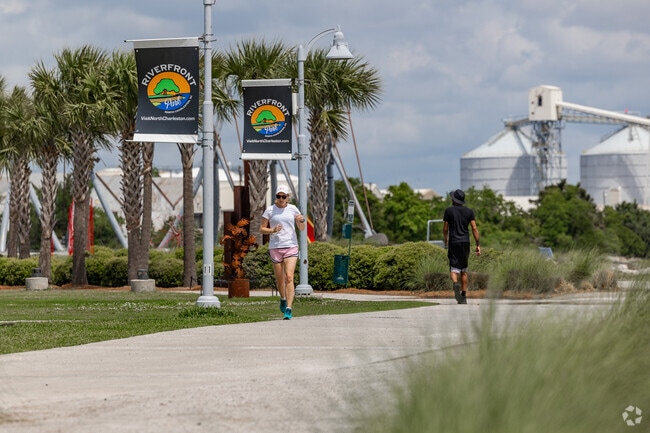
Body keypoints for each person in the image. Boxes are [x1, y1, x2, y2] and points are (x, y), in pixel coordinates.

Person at [261, 185, 306, 320]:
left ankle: (289, 308)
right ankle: (282, 298)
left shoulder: (293, 209)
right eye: (278, 196)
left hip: (291, 246)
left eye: (283, 196)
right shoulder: (269, 210)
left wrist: (300, 221)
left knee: (289, 277)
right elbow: (262, 229)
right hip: (275, 247)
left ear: (288, 198)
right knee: (280, 279)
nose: (281, 199)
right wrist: (272, 230)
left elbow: (302, 228)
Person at [443, 189, 481, 304]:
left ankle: (455, 284)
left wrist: (446, 240)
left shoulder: (448, 211)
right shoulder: (469, 212)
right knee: (464, 270)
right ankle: (463, 297)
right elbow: (474, 228)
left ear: (454, 200)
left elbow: (445, 229)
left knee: (454, 269)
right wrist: (478, 245)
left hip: (454, 242)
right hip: (465, 242)